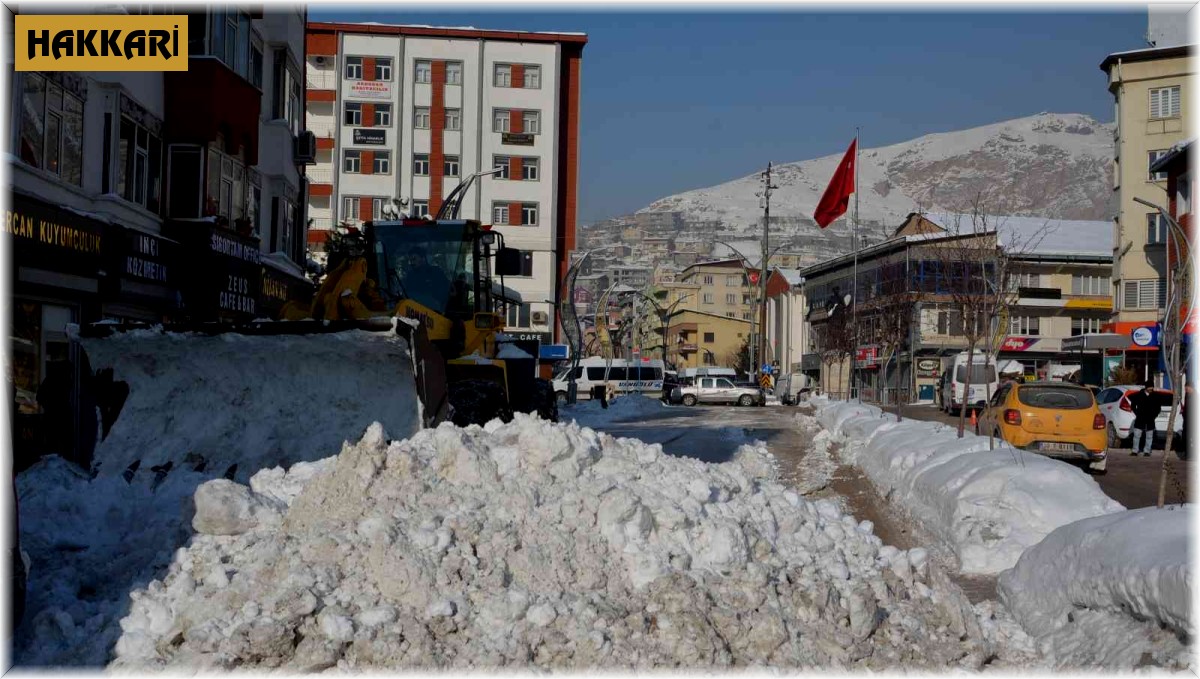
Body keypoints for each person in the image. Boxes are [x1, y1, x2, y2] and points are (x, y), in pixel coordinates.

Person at [1127, 380, 1162, 457]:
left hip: (1150, 419)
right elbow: (1133, 405)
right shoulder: (1139, 395)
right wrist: (1137, 413)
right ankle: (1135, 451)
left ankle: (1147, 451)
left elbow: (1158, 408)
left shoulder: (1155, 396)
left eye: (1152, 387)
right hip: (1140, 419)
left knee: (1149, 436)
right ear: (1146, 387)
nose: (1151, 389)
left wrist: (1154, 415)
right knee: (1136, 435)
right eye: (1149, 387)